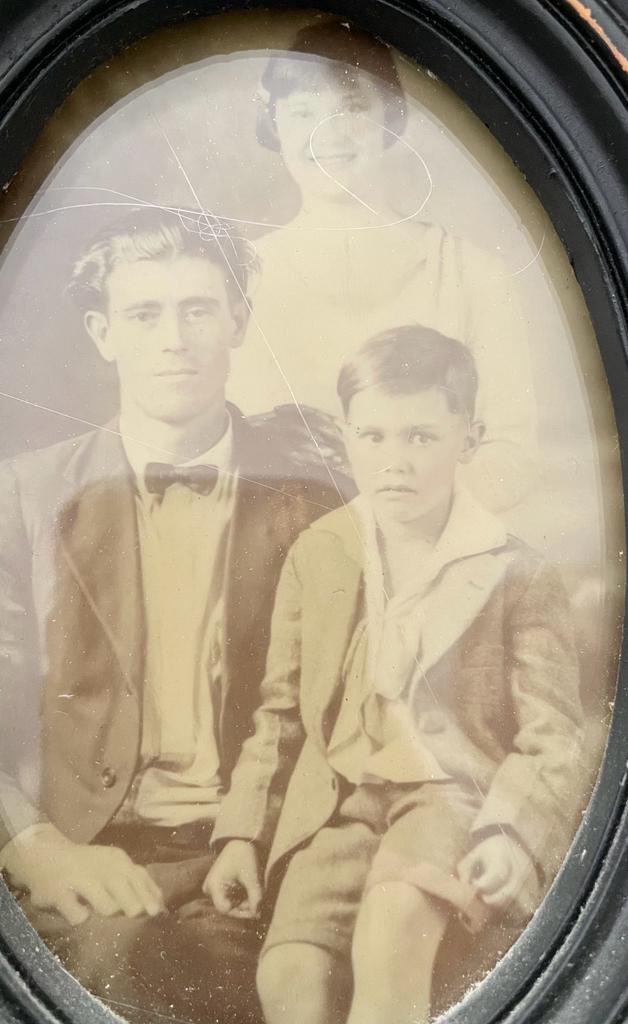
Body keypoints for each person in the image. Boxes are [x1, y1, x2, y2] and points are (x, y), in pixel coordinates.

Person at [0, 208, 344, 1023]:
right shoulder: (23, 495)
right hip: (89, 848)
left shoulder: (317, 496)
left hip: (256, 855)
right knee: (112, 966)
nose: (174, 339)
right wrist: (33, 846)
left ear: (238, 321)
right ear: (102, 333)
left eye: (197, 309)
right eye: (144, 314)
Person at [208, 325, 584, 1024]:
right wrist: (241, 835)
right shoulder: (320, 552)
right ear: (347, 437)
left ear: (467, 440)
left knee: (392, 935)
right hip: (341, 805)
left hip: (449, 798)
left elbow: (552, 734)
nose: (395, 462)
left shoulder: (512, 567)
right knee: (291, 972)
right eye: (373, 437)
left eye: (420, 437)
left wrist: (511, 832)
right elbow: (280, 713)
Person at [229, 17, 538, 513]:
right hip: (286, 557)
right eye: (303, 111)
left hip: (431, 556)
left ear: (389, 118)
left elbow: (511, 453)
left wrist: (396, 526)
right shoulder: (243, 277)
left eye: (351, 108)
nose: (325, 134)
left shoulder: (472, 272)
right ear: (276, 126)